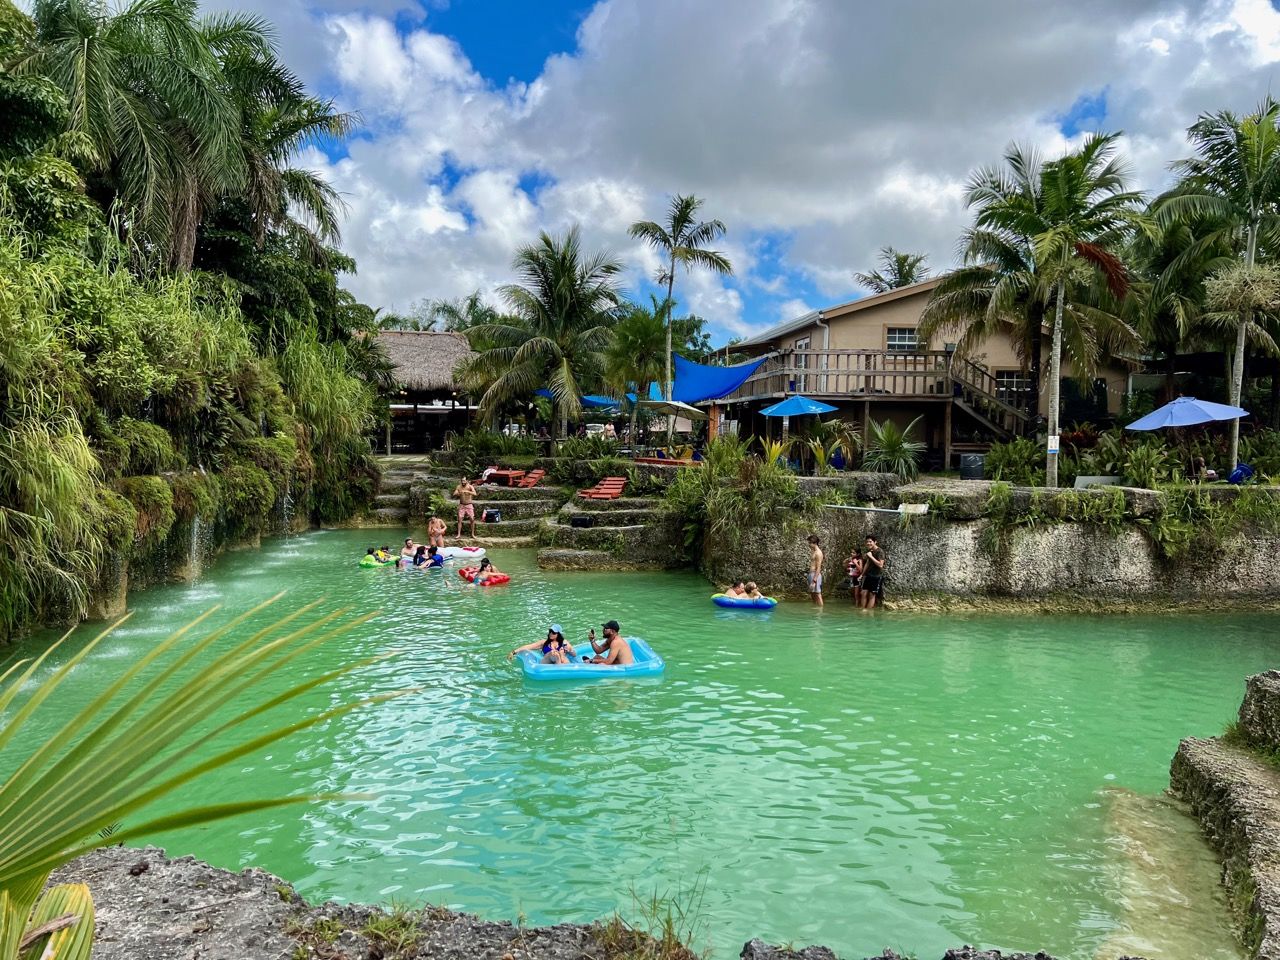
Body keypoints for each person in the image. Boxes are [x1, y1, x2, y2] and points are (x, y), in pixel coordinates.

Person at [508, 624, 577, 664]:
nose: (550, 633)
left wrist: (570, 649)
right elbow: (529, 646)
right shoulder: (544, 642)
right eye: (550, 631)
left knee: (561, 654)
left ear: (558, 634)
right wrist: (514, 652)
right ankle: (558, 662)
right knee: (553, 653)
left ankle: (560, 665)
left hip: (562, 660)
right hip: (547, 660)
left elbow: (574, 654)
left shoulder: (564, 642)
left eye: (553, 632)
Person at [860, 535, 886, 610]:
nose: (868, 543)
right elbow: (867, 563)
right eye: (867, 542)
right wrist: (862, 574)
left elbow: (880, 565)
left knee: (872, 594)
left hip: (877, 576)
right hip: (869, 575)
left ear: (875, 542)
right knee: (863, 593)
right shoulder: (870, 551)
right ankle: (862, 609)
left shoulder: (880, 551)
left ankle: (868, 610)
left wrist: (871, 556)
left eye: (870, 541)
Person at [807, 534, 824, 606]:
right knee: (812, 593)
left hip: (815, 575)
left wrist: (814, 581)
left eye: (810, 543)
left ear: (815, 543)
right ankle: (815, 608)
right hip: (811, 574)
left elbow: (819, 567)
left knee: (818, 594)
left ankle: (820, 611)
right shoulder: (813, 551)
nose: (809, 544)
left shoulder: (818, 553)